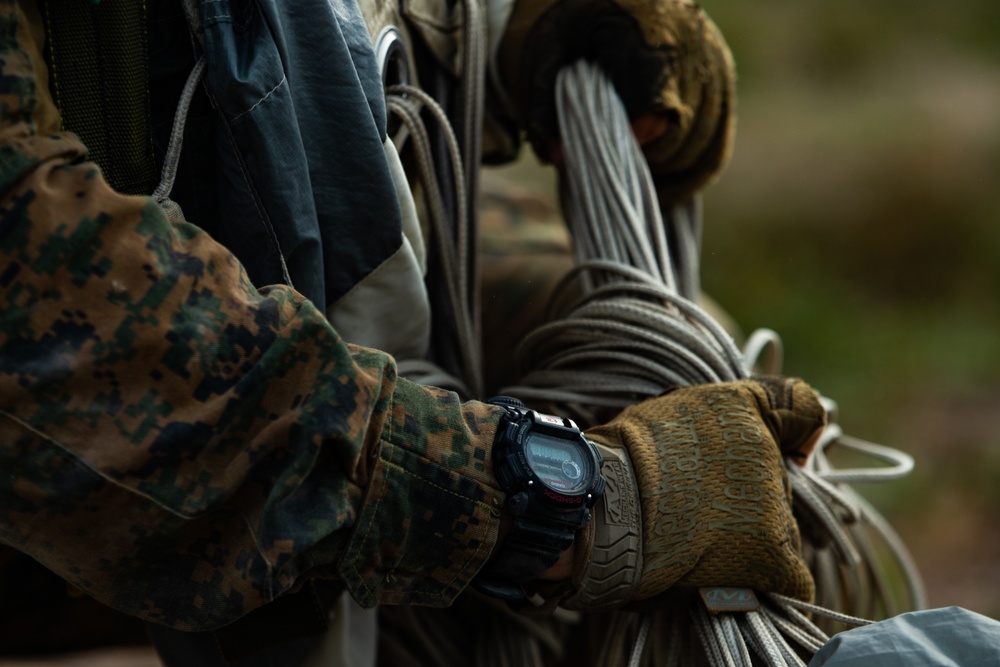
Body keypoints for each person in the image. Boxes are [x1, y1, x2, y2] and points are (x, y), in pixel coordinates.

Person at [0, 0, 827, 665]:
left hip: (274, 247)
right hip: (90, 391)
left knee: (675, 373)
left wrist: (498, 31)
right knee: (661, 493)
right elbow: (50, 327)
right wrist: (558, 499)